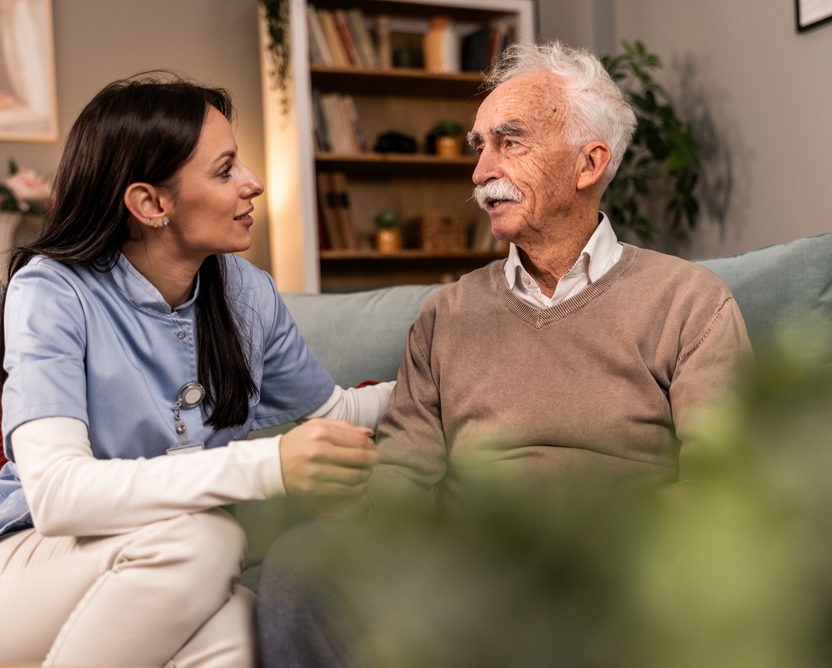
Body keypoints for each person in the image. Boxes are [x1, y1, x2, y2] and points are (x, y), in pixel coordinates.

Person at [257, 41, 753, 666]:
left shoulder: (688, 302)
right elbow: (407, 476)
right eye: (479, 146)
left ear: (588, 163)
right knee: (303, 562)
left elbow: (722, 483)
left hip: (615, 574)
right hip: (468, 578)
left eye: (509, 143)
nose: (479, 171)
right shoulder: (447, 316)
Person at [0, 73, 387, 667]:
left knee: (247, 627)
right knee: (206, 536)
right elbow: (59, 496)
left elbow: (336, 411)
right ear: (150, 204)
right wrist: (270, 464)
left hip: (161, 584)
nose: (254, 183)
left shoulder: (247, 294)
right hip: (15, 575)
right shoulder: (53, 291)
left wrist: (450, 377)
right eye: (225, 170)